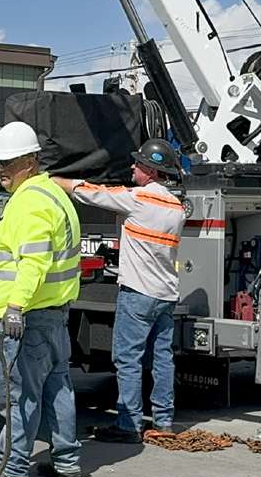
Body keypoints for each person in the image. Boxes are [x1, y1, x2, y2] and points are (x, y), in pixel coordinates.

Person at [0, 121, 83, 477]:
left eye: (9, 163)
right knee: (57, 387)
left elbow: (34, 261)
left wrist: (15, 306)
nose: (1, 170)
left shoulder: (29, 203)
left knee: (17, 396)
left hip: (22, 319)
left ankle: (12, 466)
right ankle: (67, 459)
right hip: (53, 315)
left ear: (30, 162)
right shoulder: (54, 195)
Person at [52, 138, 186, 443]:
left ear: (150, 171)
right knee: (162, 358)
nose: (132, 167)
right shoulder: (176, 208)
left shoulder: (138, 199)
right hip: (165, 294)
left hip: (137, 292)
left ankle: (128, 424)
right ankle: (164, 422)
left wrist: (52, 180)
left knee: (128, 359)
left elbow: (93, 193)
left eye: (137, 164)